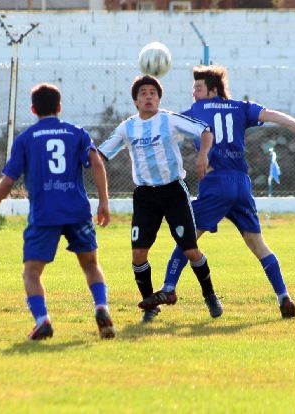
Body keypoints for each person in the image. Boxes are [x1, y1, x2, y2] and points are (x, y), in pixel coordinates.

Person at [139, 65, 295, 318]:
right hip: (241, 183)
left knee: (186, 238)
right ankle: (284, 296)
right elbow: (271, 115)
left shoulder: (196, 111)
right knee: (259, 245)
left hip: (216, 183)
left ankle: (168, 288)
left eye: (198, 88)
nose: (193, 93)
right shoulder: (240, 107)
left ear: (213, 90)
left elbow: (164, 128)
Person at [0, 83, 116, 340]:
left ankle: (42, 320)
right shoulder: (76, 133)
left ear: (33, 109)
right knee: (90, 264)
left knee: (31, 272)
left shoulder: (25, 139)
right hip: (77, 211)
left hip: (44, 215)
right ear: (59, 107)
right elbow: (97, 162)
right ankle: (101, 306)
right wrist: (103, 202)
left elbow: (9, 180)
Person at [97, 75, 217, 323]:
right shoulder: (127, 127)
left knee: (191, 250)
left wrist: (203, 155)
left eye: (153, 92)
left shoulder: (169, 120)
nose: (148, 96)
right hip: (145, 196)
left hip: (173, 192)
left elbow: (205, 131)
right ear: (136, 101)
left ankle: (210, 296)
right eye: (143, 93)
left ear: (159, 99)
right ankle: (150, 305)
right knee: (138, 254)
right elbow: (100, 154)